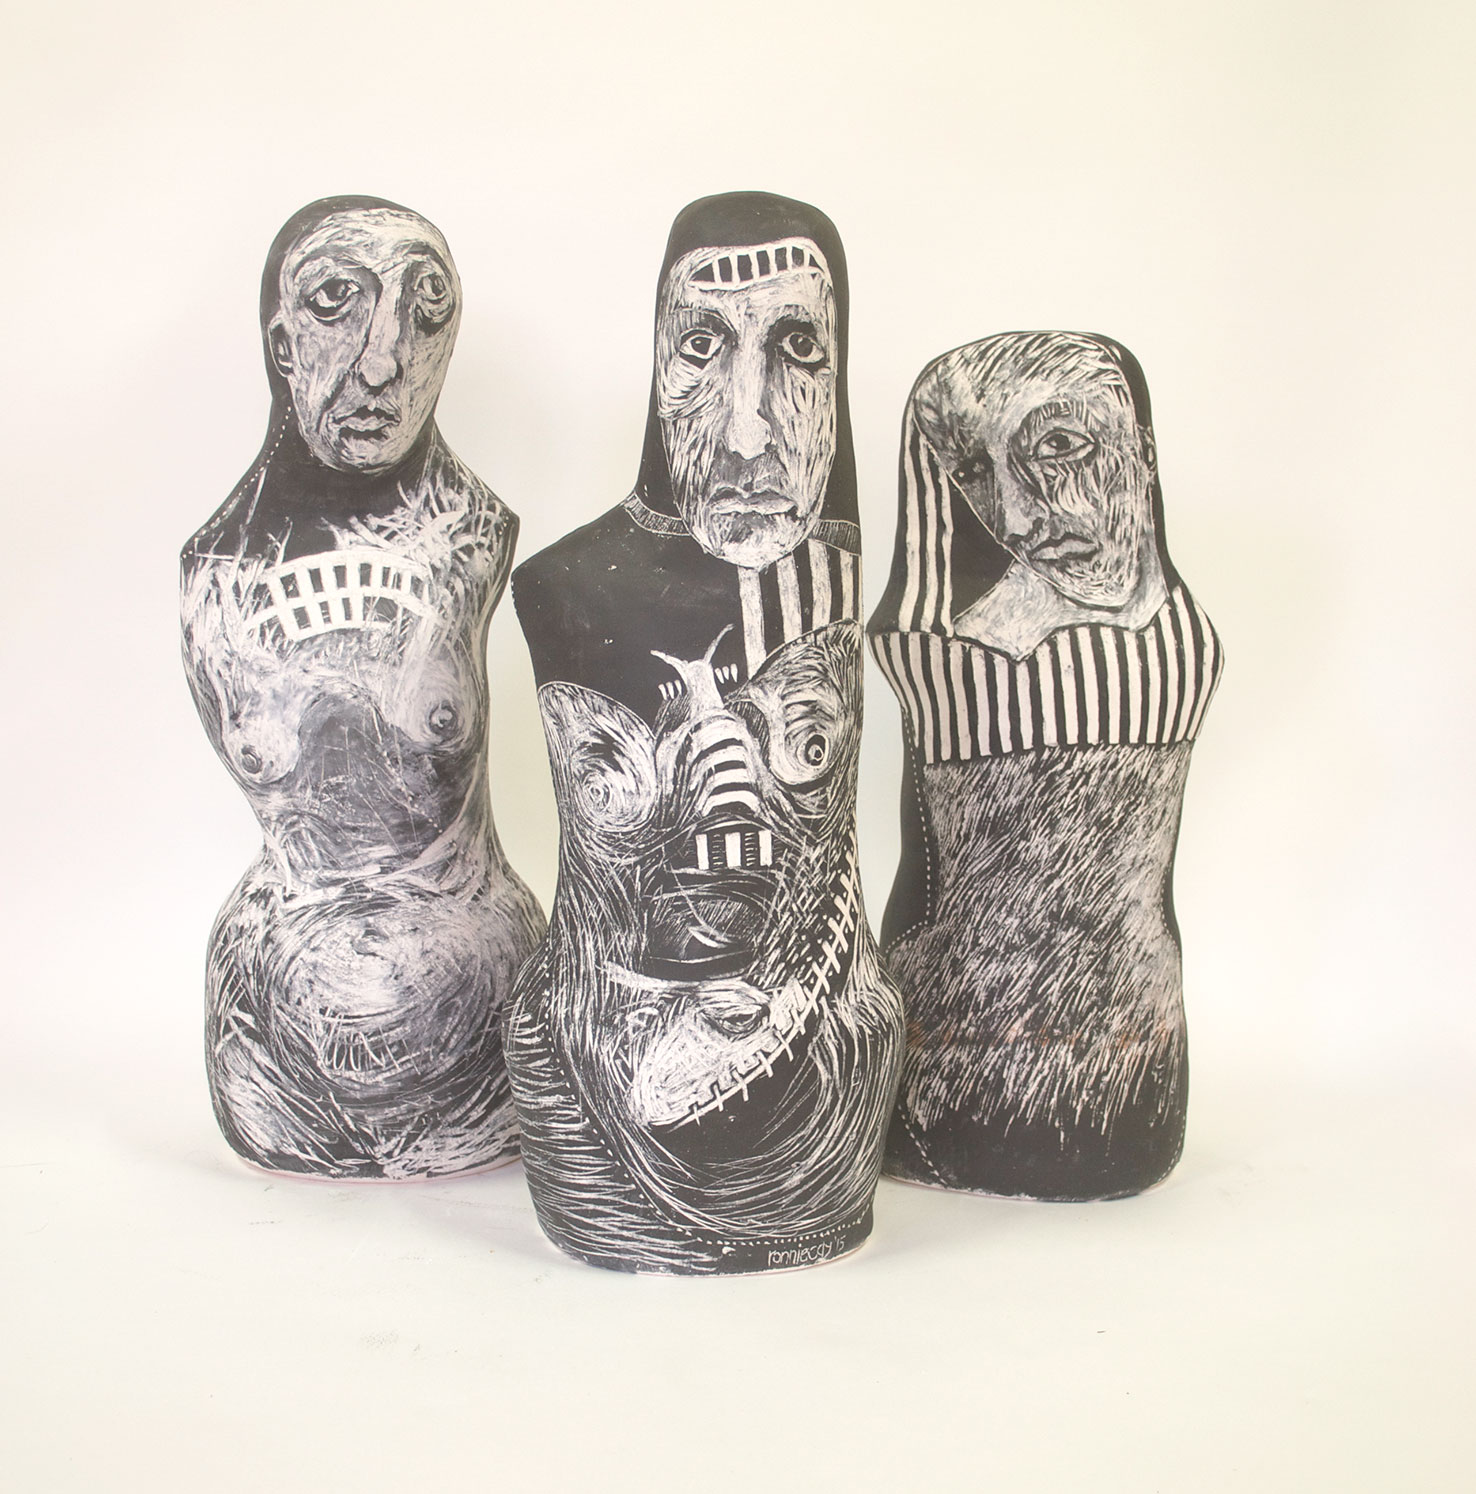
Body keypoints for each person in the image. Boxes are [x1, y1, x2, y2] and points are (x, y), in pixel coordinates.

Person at [508, 193, 901, 1274]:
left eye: (799, 348)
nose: (747, 432)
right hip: (600, 1101)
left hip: (826, 1096)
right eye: (701, 346)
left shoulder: (837, 580)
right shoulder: (565, 584)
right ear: (656, 361)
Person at [180, 197, 543, 1179]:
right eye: (337, 302)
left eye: (427, 311)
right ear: (280, 341)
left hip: (481, 1052)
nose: (385, 361)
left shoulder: (476, 537)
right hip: (272, 1059)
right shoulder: (214, 570)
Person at [869, 331, 1222, 1200]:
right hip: (945, 1080)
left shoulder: (1179, 637)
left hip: (1139, 1078)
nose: (1019, 520)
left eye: (1059, 445)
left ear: (1139, 448)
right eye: (976, 476)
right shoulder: (950, 641)